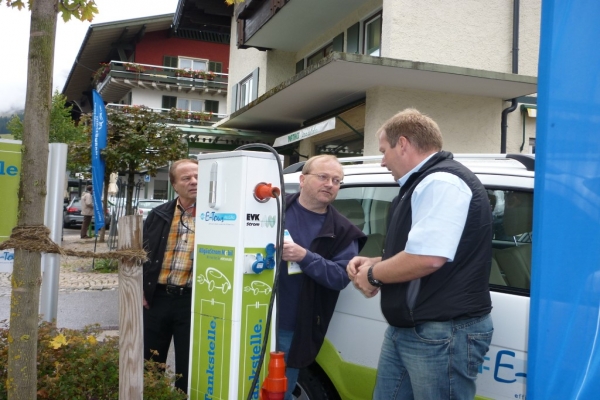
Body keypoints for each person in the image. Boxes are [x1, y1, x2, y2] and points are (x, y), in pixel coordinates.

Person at [347, 108, 494, 400]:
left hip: (440, 332)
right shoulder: (423, 183)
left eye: (383, 151)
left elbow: (428, 258)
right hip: (418, 329)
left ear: (402, 144)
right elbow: (422, 250)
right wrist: (378, 261)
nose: (381, 162)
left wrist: (373, 276)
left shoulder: (440, 182)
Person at [279, 155, 366, 399]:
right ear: (302, 179)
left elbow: (340, 276)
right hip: (251, 317)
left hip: (292, 326)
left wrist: (304, 256)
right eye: (323, 177)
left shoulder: (343, 231)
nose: (330, 184)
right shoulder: (274, 209)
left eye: (337, 180)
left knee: (280, 390)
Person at [142, 159, 198, 394]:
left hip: (193, 301)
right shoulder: (159, 214)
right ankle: (152, 395)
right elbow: (139, 254)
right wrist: (140, 288)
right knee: (151, 361)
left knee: (189, 365)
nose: (194, 182)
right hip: (158, 299)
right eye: (186, 178)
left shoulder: (219, 217)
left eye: (197, 176)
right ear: (174, 184)